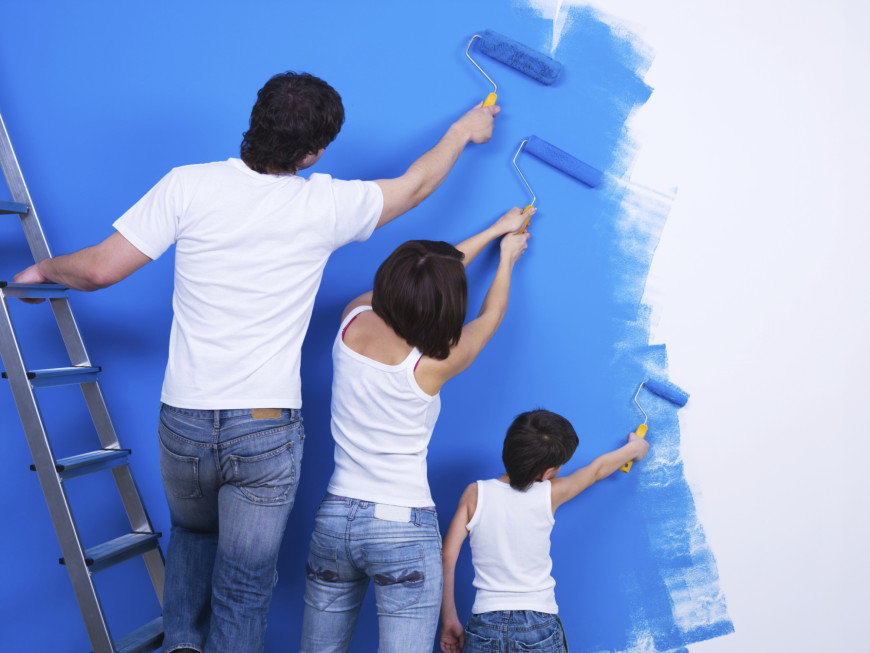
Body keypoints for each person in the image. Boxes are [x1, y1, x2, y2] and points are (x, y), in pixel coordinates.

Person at [13, 71, 500, 653]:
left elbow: (98, 270)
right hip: (266, 428)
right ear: (314, 152)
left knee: (193, 532)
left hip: (185, 420)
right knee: (243, 586)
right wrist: (464, 130)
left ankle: (183, 647)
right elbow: (417, 186)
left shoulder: (188, 186)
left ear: (256, 119)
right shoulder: (328, 204)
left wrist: (43, 271)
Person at [299, 207, 533, 653]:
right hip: (402, 526)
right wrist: (506, 256)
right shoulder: (435, 363)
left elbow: (420, 283)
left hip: (335, 519)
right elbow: (490, 317)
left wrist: (490, 227)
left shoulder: (354, 318)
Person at [439, 409, 650, 653]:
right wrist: (635, 448)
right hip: (538, 624)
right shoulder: (550, 492)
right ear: (547, 473)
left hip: (484, 625)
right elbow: (597, 470)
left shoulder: (475, 494)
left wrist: (449, 619)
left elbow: (447, 557)